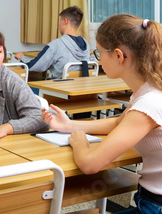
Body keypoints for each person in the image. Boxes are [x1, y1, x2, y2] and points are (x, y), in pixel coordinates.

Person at [42, 14, 162, 214]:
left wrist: (79, 142)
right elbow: (119, 124)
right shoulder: (148, 91)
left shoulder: (149, 102)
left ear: (118, 55)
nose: (97, 60)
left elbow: (89, 164)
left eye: (98, 53)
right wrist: (70, 125)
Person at [14, 6, 90, 79]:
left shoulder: (57, 44)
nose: (58, 24)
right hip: (80, 89)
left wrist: (22, 57)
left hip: (59, 89)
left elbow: (35, 65)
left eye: (60, 21)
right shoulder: (86, 44)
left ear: (65, 21)